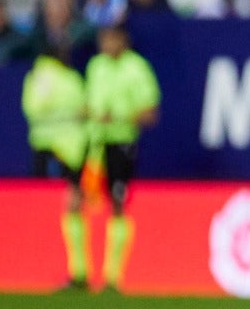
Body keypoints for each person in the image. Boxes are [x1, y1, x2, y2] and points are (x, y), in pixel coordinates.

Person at [84, 24, 159, 292]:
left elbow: (150, 113)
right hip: (93, 143)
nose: (106, 45)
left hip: (121, 142)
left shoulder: (136, 68)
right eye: (103, 39)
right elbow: (88, 103)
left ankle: (113, 275)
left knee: (118, 202)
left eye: (111, 39)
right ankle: (79, 271)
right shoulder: (96, 66)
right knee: (78, 199)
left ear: (123, 41)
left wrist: (118, 118)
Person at [22, 43, 90, 290]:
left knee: (57, 205)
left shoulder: (38, 77)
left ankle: (65, 270)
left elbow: (32, 108)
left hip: (43, 146)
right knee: (72, 203)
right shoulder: (71, 77)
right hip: (74, 146)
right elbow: (84, 109)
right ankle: (77, 268)